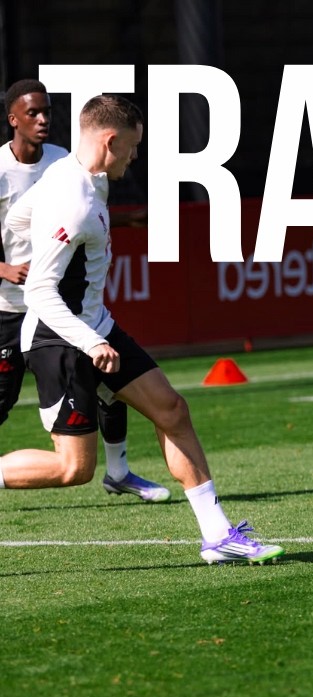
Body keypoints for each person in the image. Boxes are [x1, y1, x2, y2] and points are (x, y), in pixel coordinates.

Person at [0, 94, 283, 565]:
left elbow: (16, 217)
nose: (135, 157)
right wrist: (90, 341)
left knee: (172, 409)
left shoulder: (81, 177)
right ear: (110, 141)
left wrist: (97, 331)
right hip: (61, 340)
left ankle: (219, 537)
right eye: (132, 148)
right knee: (74, 469)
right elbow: (41, 293)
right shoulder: (73, 200)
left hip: (97, 327)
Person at [0, 79, 166, 502]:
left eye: (47, 111)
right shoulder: (10, 171)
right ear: (12, 119)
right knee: (67, 461)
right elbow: (26, 232)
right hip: (28, 313)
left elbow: (31, 220)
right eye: (32, 112)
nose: (43, 119)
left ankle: (124, 473)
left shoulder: (66, 163)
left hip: (74, 315)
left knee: (161, 406)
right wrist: (14, 263)